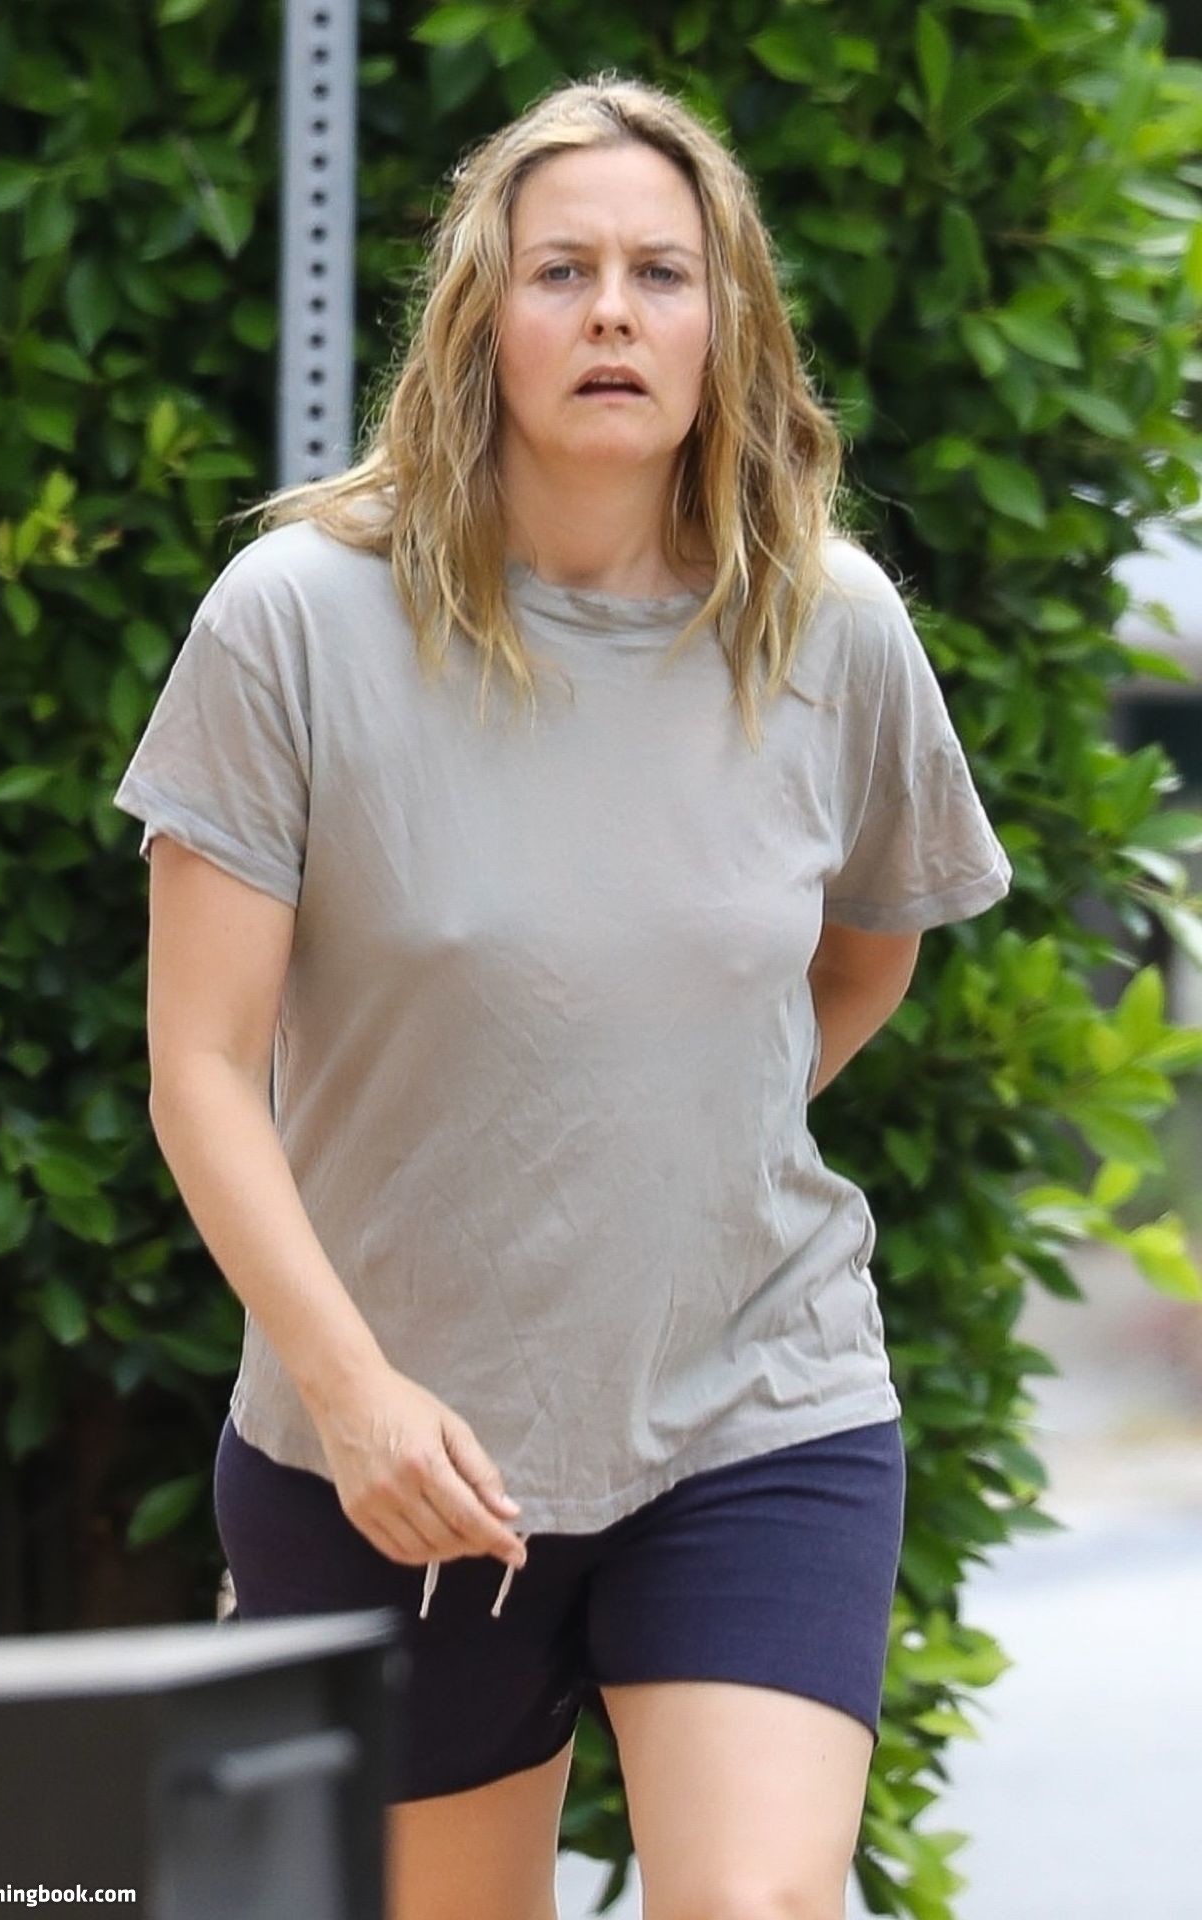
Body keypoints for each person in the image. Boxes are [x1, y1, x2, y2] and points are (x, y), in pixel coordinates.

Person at [112, 70, 1012, 1920]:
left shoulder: (833, 629)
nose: (614, 312)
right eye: (563, 272)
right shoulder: (293, 622)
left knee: (756, 1902)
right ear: (483, 319)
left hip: (757, 1399)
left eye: (662, 274)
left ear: (726, 326)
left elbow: (866, 951)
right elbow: (198, 1067)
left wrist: (673, 1124)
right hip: (391, 1452)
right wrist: (357, 1394)